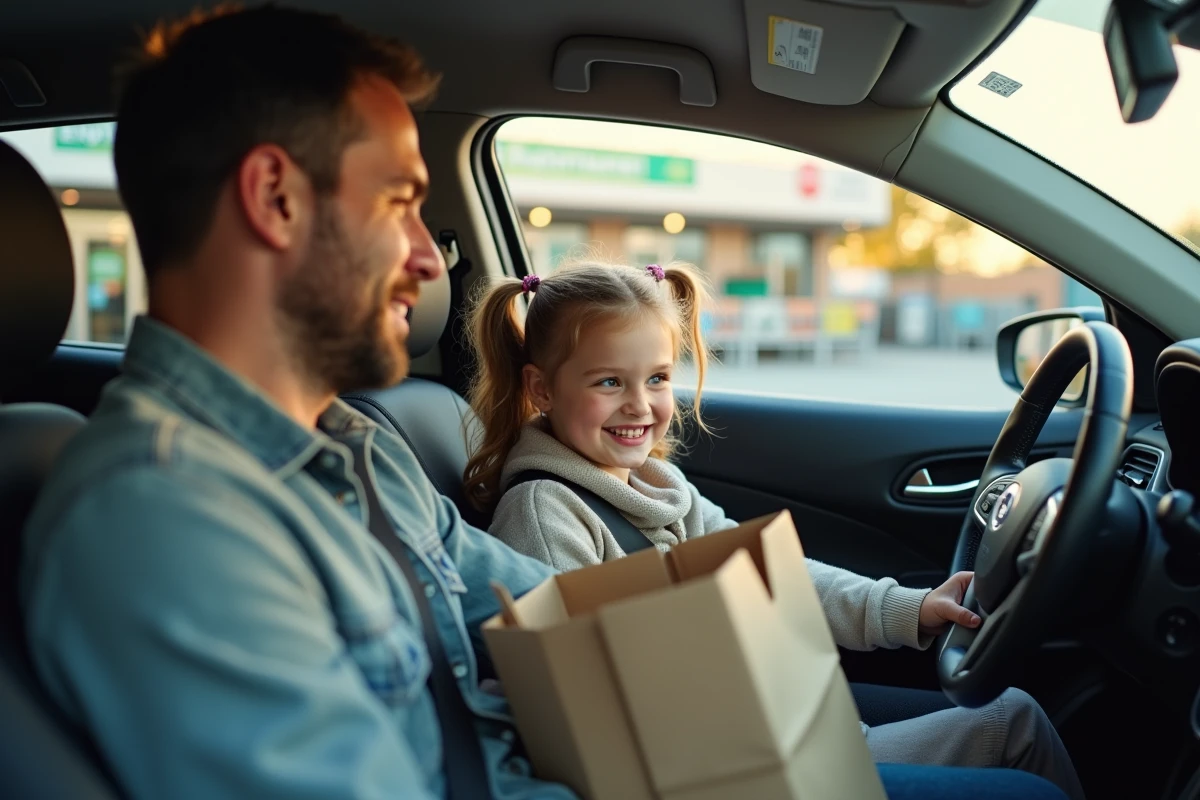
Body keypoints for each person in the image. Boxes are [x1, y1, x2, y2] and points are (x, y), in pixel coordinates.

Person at [17, 6, 1072, 800]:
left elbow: (553, 608)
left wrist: (795, 663)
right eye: (399, 204)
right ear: (275, 199)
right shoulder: (162, 517)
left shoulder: (351, 449)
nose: (432, 257)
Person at [465, 258, 1086, 800]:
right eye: (608, 382)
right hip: (714, 768)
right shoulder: (545, 511)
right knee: (1020, 762)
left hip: (750, 720)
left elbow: (778, 579)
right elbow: (581, 710)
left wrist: (910, 608)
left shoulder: (656, 489)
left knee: (1015, 717)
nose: (640, 404)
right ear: (541, 389)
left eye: (657, 378)